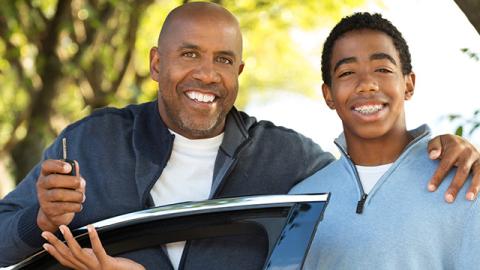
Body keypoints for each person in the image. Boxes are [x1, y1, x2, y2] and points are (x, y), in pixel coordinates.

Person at [0, 3, 479, 269]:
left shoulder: (288, 161)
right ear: (155, 63)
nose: (207, 75)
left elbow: (369, 172)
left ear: (240, 71)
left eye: (224, 60)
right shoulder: (89, 143)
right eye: (189, 55)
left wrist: (447, 148)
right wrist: (37, 219)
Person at [290, 12, 479, 269]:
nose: (366, 84)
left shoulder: (464, 182)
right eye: (347, 72)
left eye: (382, 69)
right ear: (328, 94)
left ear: (408, 84)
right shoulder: (301, 201)